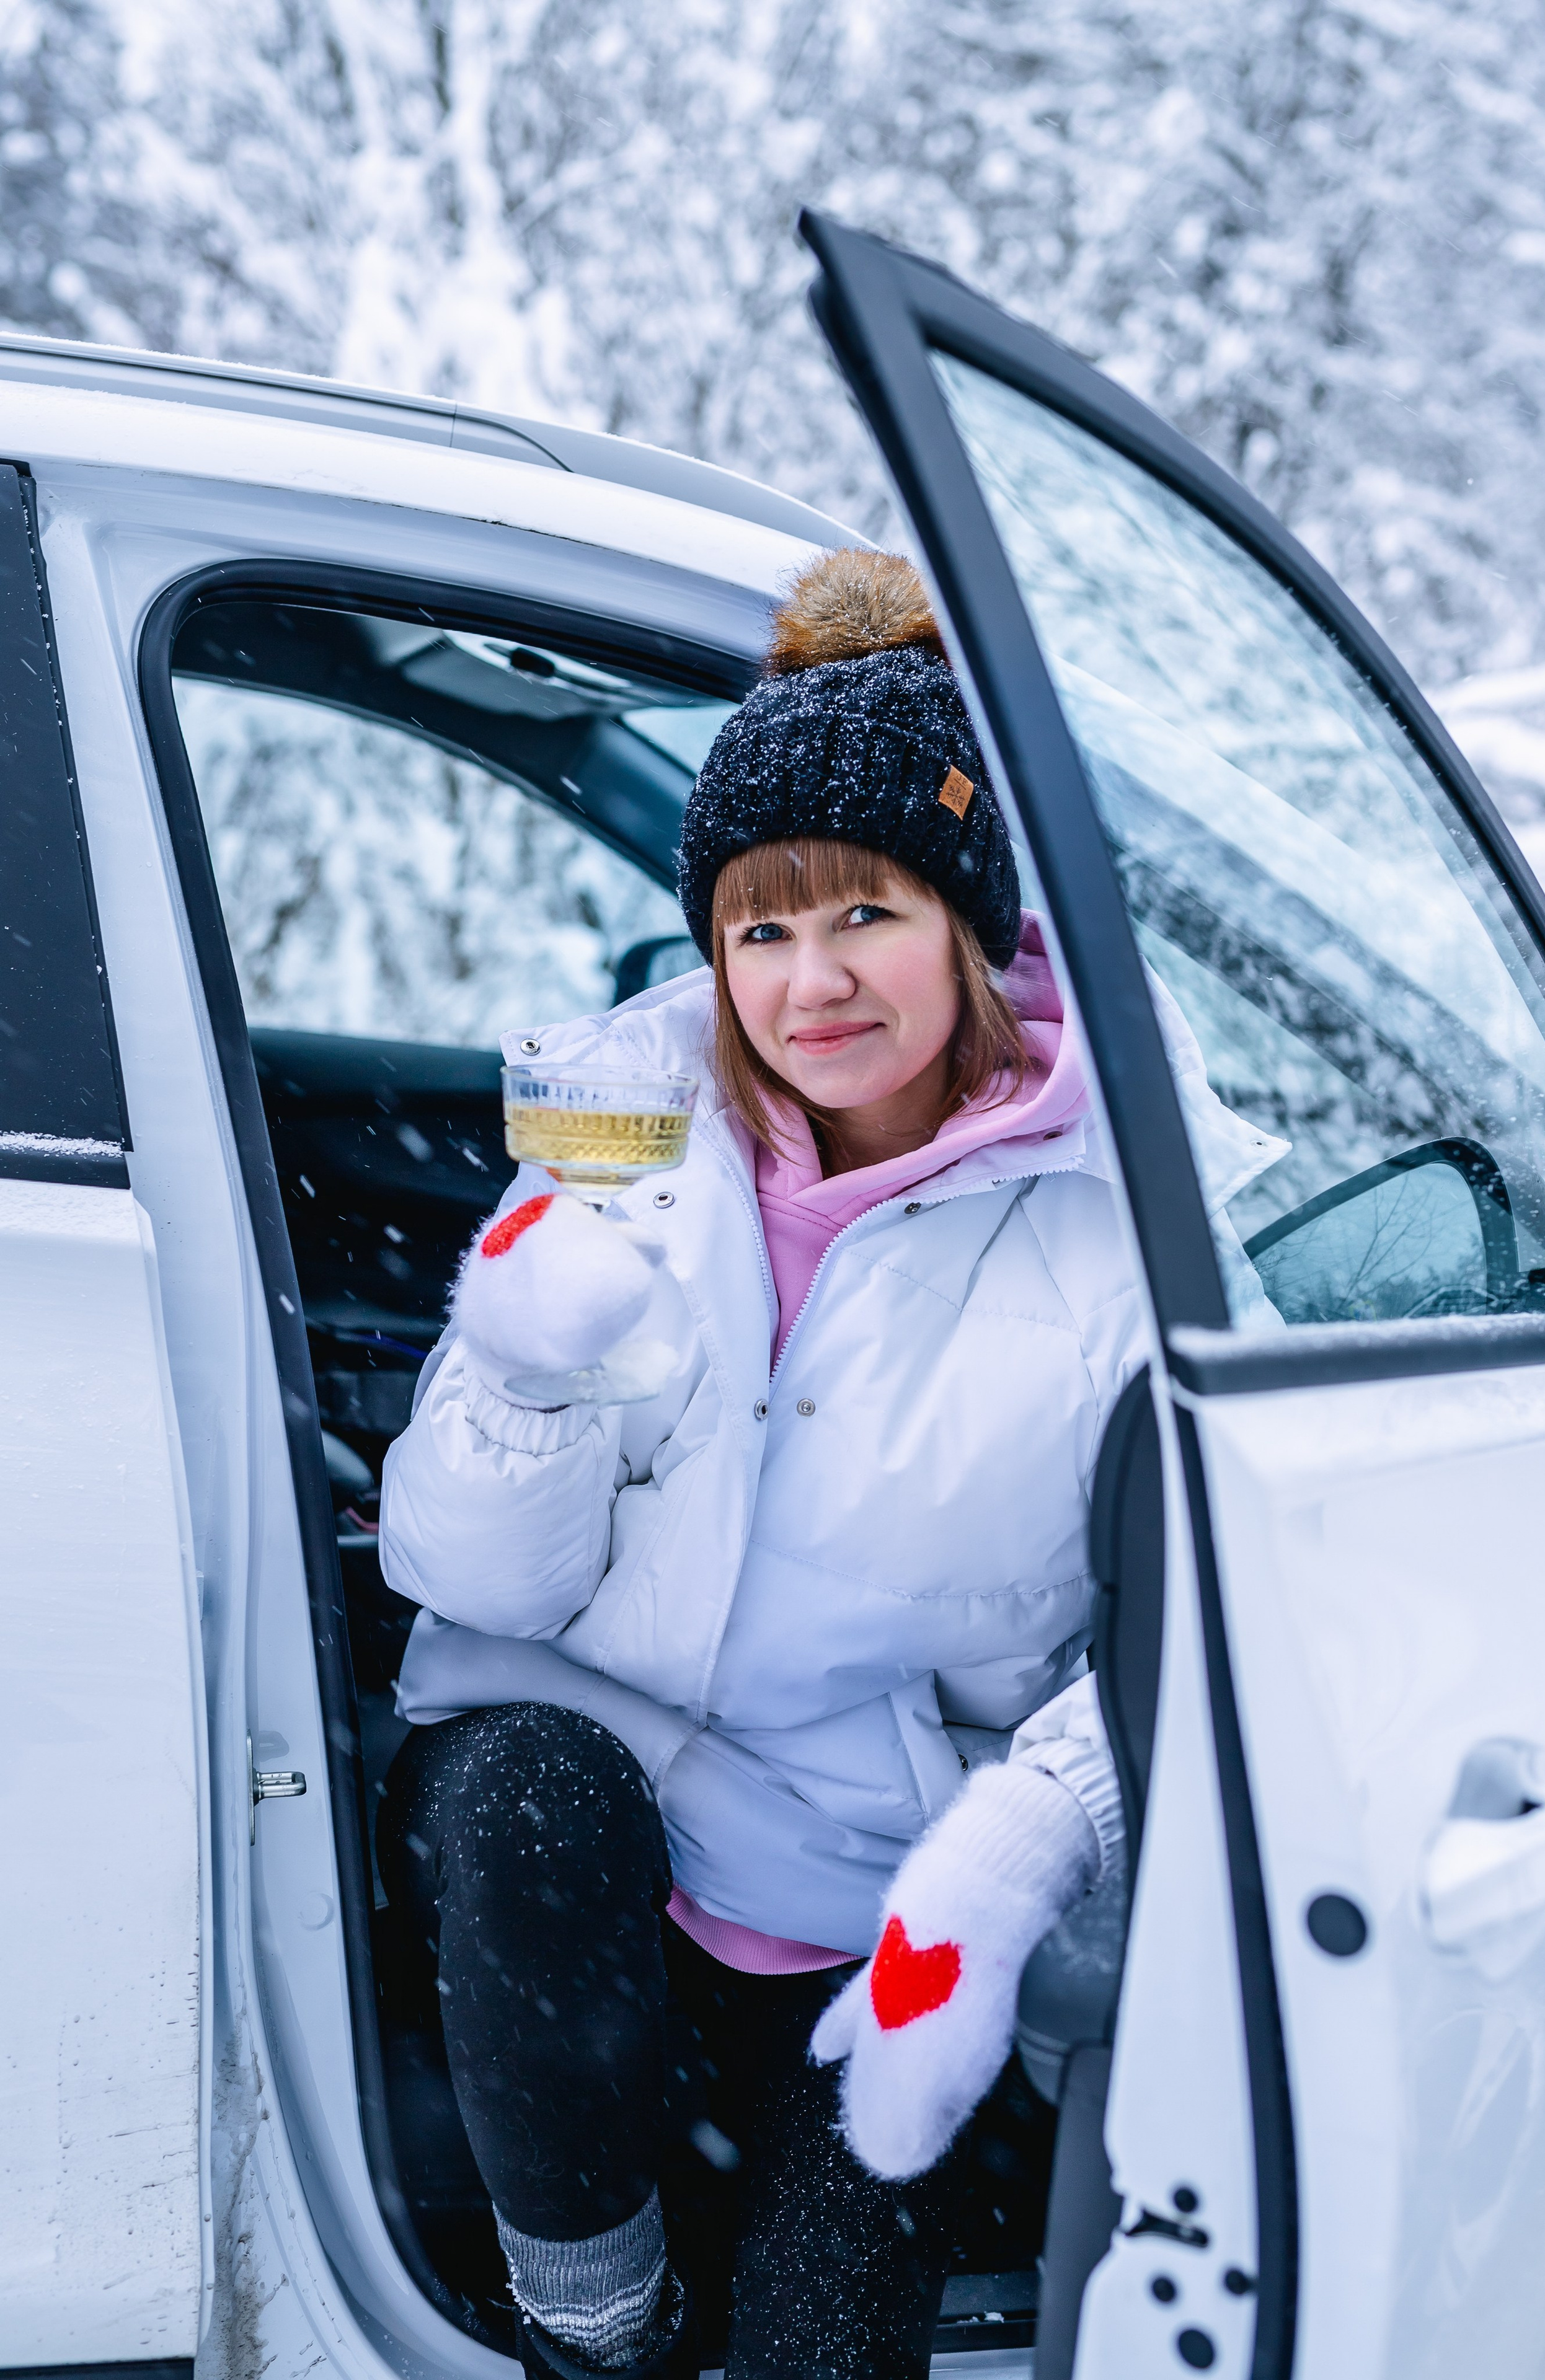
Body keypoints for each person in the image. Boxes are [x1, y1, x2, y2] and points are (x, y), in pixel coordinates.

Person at [376, 550, 1272, 2379]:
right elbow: (474, 1587)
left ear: (970, 924)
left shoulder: (1140, 1224)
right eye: (759, 931)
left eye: (863, 914)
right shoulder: (624, 1133)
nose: (810, 984)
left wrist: (1029, 1838)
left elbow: (1253, 1586)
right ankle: (596, 2321)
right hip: (588, 1836)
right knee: (521, 1789)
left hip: (882, 1906)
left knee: (825, 2346)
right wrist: (522, 1380)